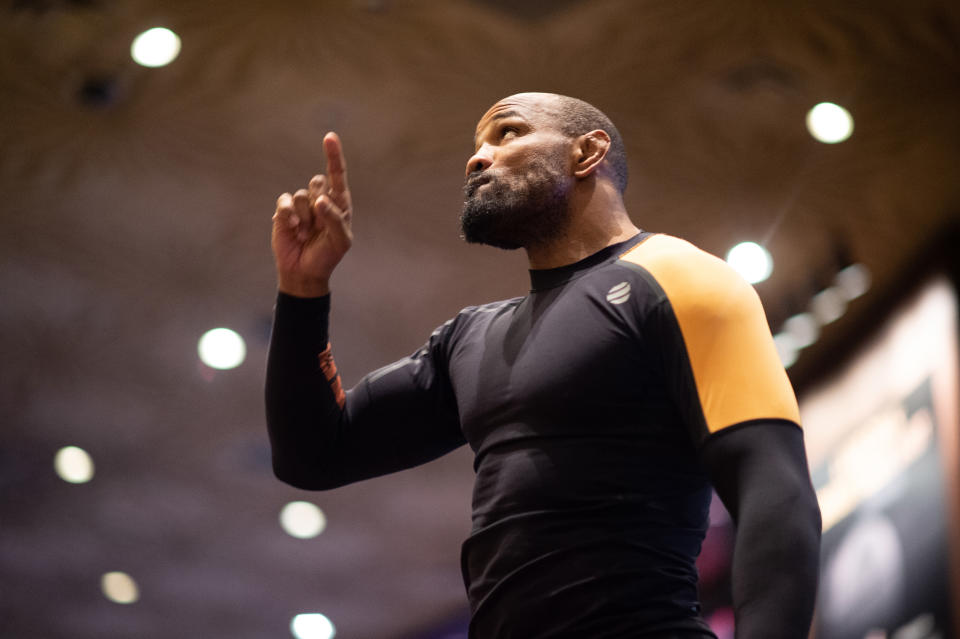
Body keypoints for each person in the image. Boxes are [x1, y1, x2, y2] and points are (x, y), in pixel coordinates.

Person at [265, 92, 821, 638]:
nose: (477, 157)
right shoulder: (471, 338)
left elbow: (775, 492)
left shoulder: (679, 278)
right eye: (476, 145)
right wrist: (304, 289)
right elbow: (313, 454)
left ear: (588, 152)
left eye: (507, 132)